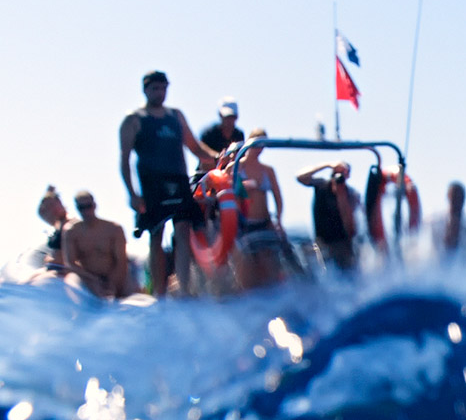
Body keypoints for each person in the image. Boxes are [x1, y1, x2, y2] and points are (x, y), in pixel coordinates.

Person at [119, 70, 218, 296]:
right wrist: (132, 194)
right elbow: (124, 159)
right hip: (152, 183)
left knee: (183, 229)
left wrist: (218, 157)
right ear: (146, 90)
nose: (160, 92)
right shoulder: (134, 120)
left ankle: (183, 288)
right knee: (156, 233)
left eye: (163, 88)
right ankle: (159, 292)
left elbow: (194, 147)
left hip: (178, 179)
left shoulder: (176, 116)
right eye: (155, 88)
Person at [229, 128, 286, 289]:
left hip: (265, 221)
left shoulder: (268, 170)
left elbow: (278, 198)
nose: (259, 148)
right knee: (247, 264)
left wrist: (279, 220)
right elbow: (226, 191)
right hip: (244, 224)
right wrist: (244, 186)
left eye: (263, 145)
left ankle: (274, 298)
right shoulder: (236, 167)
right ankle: (248, 300)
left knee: (270, 261)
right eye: (257, 143)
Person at [61, 192, 137, 298]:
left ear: (94, 205)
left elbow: (121, 261)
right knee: (71, 281)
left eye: (89, 206)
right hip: (87, 277)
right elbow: (70, 263)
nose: (86, 211)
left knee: (131, 293)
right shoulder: (71, 231)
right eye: (81, 208)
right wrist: (93, 280)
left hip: (116, 274)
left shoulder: (114, 229)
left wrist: (112, 283)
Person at [296, 161, 360, 270]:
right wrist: (327, 165)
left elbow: (351, 220)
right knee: (324, 271)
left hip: (343, 243)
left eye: (342, 174)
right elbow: (300, 177)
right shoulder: (321, 185)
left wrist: (341, 195)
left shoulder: (351, 194)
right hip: (322, 241)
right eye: (335, 173)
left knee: (349, 272)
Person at [430, 182, 466, 265]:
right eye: (454, 198)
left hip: (461, 271)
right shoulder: (434, 222)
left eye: (459, 198)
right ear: (448, 197)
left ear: (463, 200)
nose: (456, 202)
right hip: (435, 268)